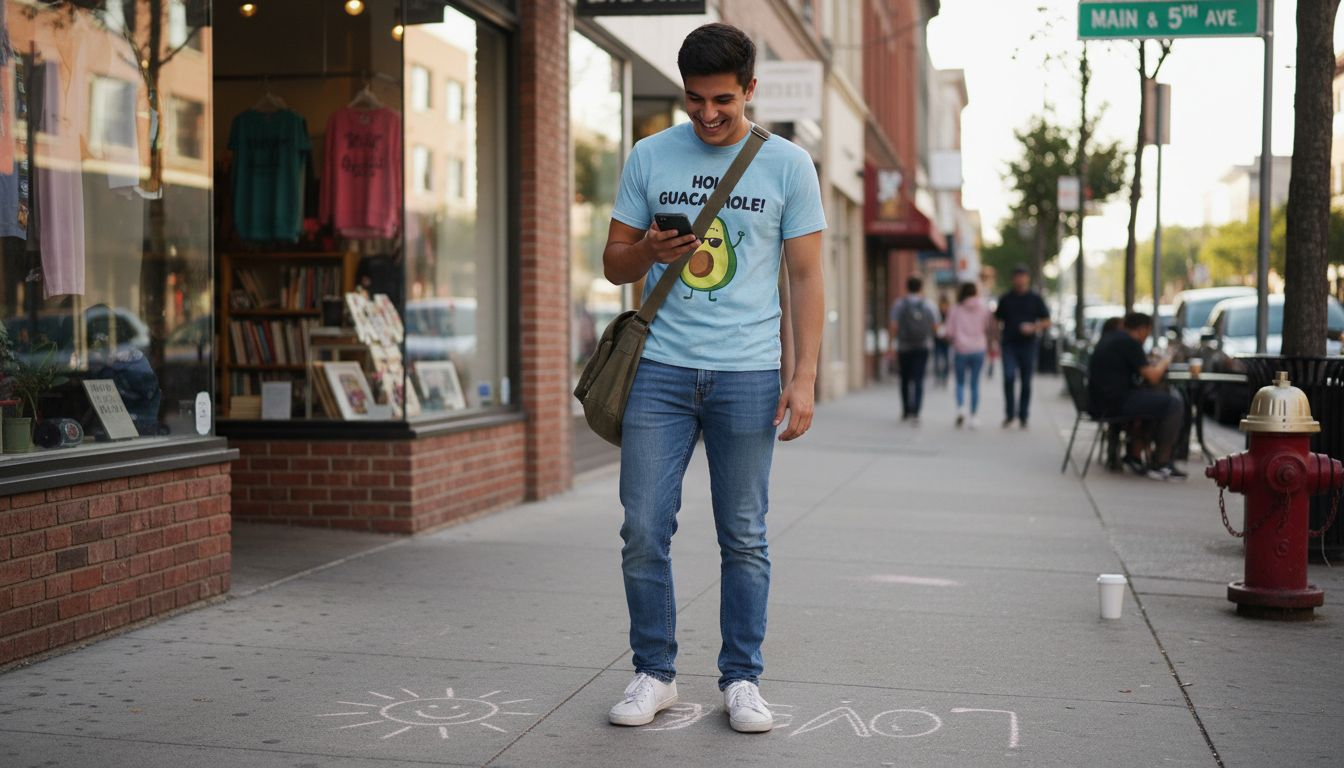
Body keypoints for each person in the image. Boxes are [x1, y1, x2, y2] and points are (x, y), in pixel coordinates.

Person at [600, 23, 825, 734]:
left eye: (722, 100)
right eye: (694, 100)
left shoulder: (789, 165)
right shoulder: (649, 155)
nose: (707, 114)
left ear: (750, 89)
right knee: (643, 528)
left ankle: (742, 678)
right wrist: (648, 249)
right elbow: (612, 262)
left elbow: (807, 275)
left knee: (744, 536)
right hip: (659, 371)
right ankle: (654, 672)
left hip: (749, 373)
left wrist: (804, 377)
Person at [1087, 312, 1187, 480]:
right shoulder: (1129, 342)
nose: (1146, 337)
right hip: (1114, 403)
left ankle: (1135, 456)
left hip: (1099, 400)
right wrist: (1166, 359)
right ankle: (1162, 463)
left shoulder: (1112, 338)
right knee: (1173, 404)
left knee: (1155, 400)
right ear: (1142, 329)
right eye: (1148, 332)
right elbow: (1153, 377)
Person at [995, 265, 1050, 428]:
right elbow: (997, 319)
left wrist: (1033, 327)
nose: (1019, 279)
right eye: (1017, 276)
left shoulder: (1035, 298)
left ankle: (1023, 415)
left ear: (1027, 278)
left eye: (1022, 276)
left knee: (1026, 382)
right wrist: (995, 338)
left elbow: (1047, 321)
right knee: (1009, 377)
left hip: (1028, 345)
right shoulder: (1006, 298)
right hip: (1009, 345)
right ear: (1013, 279)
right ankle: (1010, 414)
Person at [888, 275, 940, 423]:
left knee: (904, 378)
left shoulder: (899, 304)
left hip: (904, 346)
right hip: (923, 346)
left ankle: (906, 410)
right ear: (921, 288)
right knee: (919, 379)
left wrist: (891, 344)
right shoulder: (928, 305)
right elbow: (936, 326)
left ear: (907, 287)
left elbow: (893, 326)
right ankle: (916, 411)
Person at [943, 281, 993, 428]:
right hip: (978, 348)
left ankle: (961, 408)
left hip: (961, 349)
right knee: (975, 384)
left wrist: (952, 338)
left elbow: (949, 332)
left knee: (959, 382)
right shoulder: (984, 309)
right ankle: (974, 416)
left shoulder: (955, 309)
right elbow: (988, 328)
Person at [932, 292, 952, 388]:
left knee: (946, 359)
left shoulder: (950, 312)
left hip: (946, 340)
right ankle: (938, 376)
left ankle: (944, 377)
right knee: (937, 359)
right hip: (938, 339)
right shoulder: (937, 312)